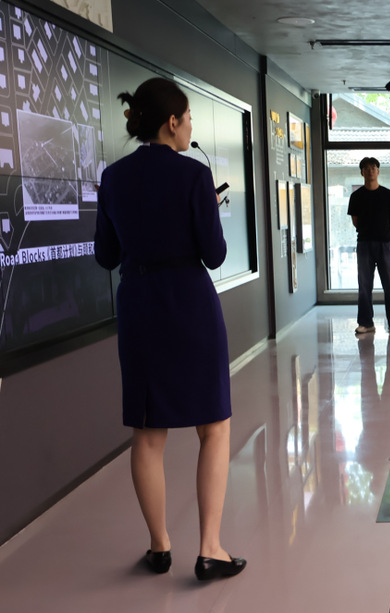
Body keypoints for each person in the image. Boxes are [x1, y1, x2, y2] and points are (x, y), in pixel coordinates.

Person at [94, 77, 245, 581]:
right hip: (190, 304)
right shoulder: (195, 175)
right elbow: (214, 254)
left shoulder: (113, 177)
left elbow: (106, 255)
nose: (190, 126)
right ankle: (210, 549)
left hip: (139, 304)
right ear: (172, 122)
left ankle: (159, 546)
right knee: (214, 426)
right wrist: (208, 216)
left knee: (147, 432)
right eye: (189, 117)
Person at [348, 156, 390, 334]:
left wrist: (382, 232)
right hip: (364, 244)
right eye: (366, 168)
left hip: (385, 244)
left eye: (373, 168)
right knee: (364, 285)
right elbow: (355, 221)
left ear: (378, 171)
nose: (370, 171)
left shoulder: (387, 194)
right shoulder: (356, 196)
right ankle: (366, 322)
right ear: (362, 172)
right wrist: (369, 232)